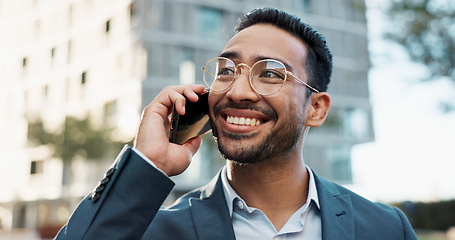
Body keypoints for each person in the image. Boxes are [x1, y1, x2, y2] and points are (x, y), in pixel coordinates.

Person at [55, 8, 417, 240]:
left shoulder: (386, 228)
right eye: (226, 70)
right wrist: (148, 165)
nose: (238, 90)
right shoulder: (150, 229)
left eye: (271, 73)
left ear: (317, 109)